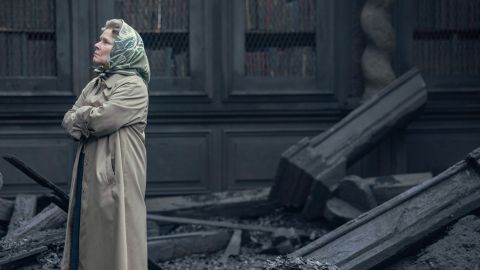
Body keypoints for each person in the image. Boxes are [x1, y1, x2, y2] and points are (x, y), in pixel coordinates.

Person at [61, 19, 150, 270]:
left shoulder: (134, 86)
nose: (97, 45)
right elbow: (68, 120)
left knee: (116, 240)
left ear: (122, 49)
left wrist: (84, 114)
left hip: (116, 177)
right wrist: (86, 114)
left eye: (106, 41)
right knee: (86, 237)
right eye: (100, 40)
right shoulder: (95, 84)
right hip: (87, 174)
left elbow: (102, 120)